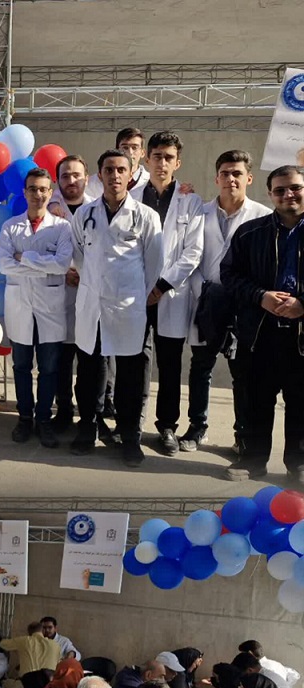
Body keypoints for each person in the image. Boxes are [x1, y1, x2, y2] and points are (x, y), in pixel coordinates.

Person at [70, 149, 163, 467]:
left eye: (121, 169)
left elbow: (154, 264)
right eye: (108, 170)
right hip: (92, 306)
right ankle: (87, 428)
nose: (115, 175)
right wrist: (95, 285)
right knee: (89, 373)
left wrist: (133, 292)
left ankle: (130, 437)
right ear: (100, 175)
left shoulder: (146, 216)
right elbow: (80, 256)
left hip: (127, 308)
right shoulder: (84, 214)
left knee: (130, 377)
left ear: (131, 174)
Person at [180, 150, 271, 453]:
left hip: (243, 304)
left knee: (241, 372)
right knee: (201, 366)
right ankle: (197, 427)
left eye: (237, 173)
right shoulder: (200, 212)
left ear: (249, 178)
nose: (231, 179)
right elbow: (190, 256)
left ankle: (242, 434)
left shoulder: (261, 216)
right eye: (225, 173)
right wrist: (202, 291)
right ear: (216, 177)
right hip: (206, 300)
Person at [221, 164, 304, 482]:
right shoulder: (249, 233)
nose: (288, 194)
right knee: (256, 399)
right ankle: (253, 459)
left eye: (295, 187)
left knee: (301, 401)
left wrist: (302, 305)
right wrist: (260, 296)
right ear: (270, 194)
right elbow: (229, 275)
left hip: (301, 334)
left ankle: (299, 463)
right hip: (260, 332)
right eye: (280, 190)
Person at [140, 131, 205, 456]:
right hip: (136, 294)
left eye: (169, 157)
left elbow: (193, 252)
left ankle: (167, 426)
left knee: (169, 365)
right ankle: (129, 422)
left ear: (177, 163)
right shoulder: (132, 196)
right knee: (132, 361)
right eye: (157, 156)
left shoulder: (190, 201)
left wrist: (162, 286)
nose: (162, 163)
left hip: (170, 295)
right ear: (146, 159)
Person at [0, 166, 72, 447]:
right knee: (21, 365)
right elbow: (5, 265)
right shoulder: (10, 226)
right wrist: (43, 265)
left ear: (50, 193)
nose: (38, 194)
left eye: (43, 189)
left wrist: (24, 257)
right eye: (32, 189)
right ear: (24, 192)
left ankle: (44, 419)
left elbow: (62, 265)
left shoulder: (62, 227)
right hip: (20, 306)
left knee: (49, 368)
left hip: (50, 308)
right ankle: (24, 418)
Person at [49, 154, 93, 435]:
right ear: (58, 181)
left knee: (89, 363)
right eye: (65, 176)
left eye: (77, 175)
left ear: (86, 179)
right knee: (61, 361)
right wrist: (64, 271)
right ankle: (63, 410)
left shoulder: (97, 209)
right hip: (59, 296)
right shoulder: (50, 212)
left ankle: (89, 415)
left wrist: (84, 275)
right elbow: (42, 251)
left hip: (90, 296)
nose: (71, 180)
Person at [0, 621, 61, 688]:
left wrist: (18, 649)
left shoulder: (23, 641)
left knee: (6, 685)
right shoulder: (56, 645)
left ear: (29, 632)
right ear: (42, 631)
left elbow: (3, 644)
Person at [85, 126, 151, 200]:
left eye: (134, 148)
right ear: (117, 150)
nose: (130, 152)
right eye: (125, 147)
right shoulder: (93, 182)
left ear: (143, 153)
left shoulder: (150, 182)